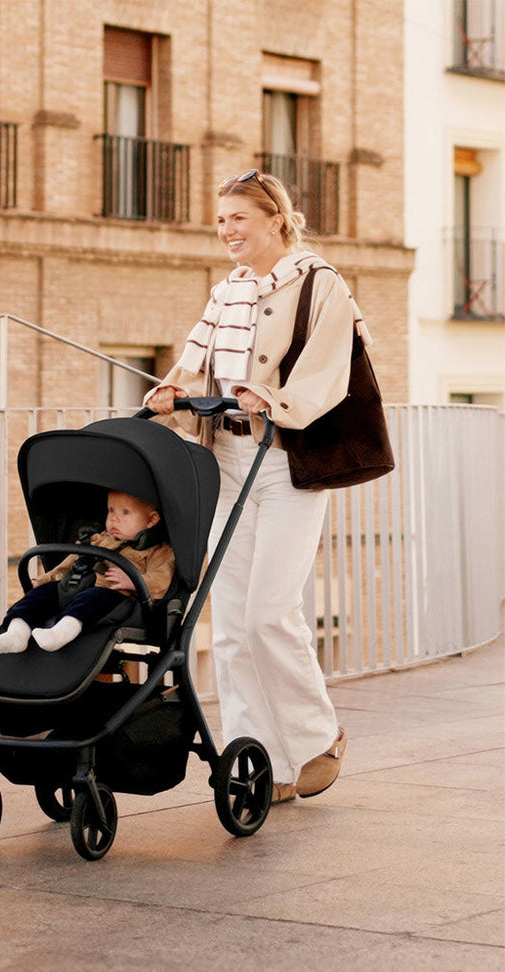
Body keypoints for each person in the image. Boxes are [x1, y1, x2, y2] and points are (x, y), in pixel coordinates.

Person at [145, 170, 355, 803]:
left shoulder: (319, 283)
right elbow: (196, 356)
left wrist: (275, 397)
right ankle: (256, 756)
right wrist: (172, 389)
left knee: (269, 613)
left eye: (238, 217)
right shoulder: (225, 291)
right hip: (227, 459)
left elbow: (328, 371)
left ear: (275, 220)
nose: (226, 230)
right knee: (232, 621)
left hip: (286, 460)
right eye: (220, 219)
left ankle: (317, 738)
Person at [0, 490, 175, 655]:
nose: (114, 518)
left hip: (116, 596)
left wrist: (135, 581)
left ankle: (61, 632)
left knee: (92, 599)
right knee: (39, 595)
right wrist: (47, 579)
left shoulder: (158, 550)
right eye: (111, 510)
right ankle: (17, 633)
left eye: (125, 512)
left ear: (151, 520)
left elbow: (162, 579)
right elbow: (71, 562)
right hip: (76, 586)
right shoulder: (100, 539)